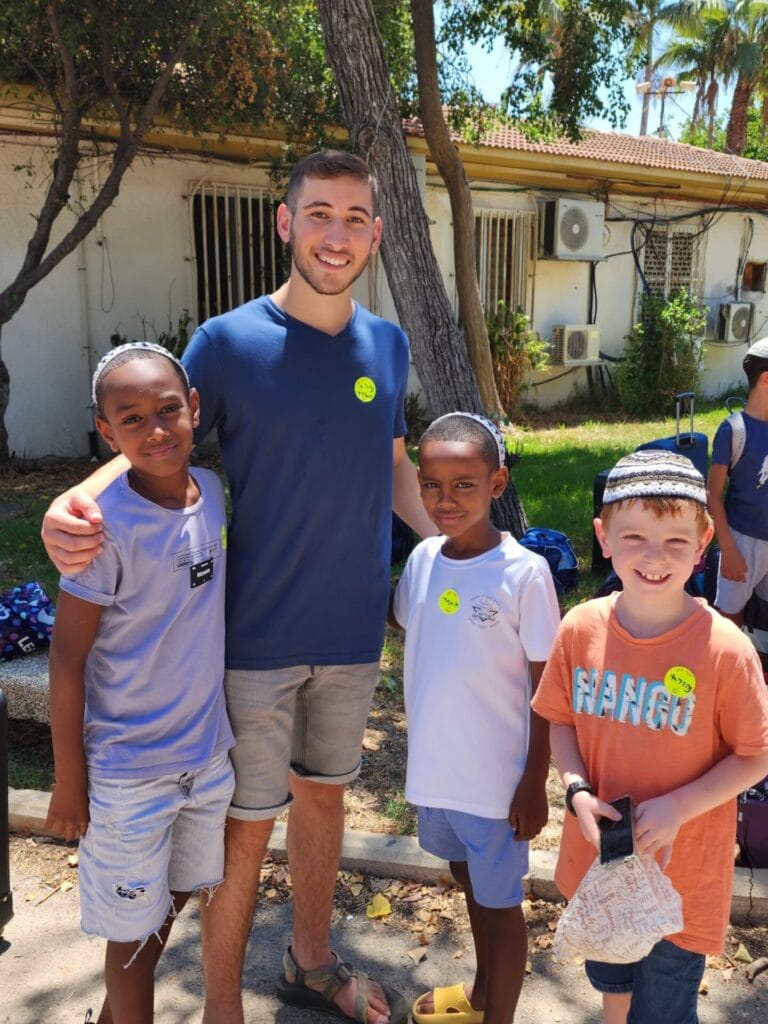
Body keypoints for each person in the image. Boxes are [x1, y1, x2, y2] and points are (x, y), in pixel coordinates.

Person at [41, 150, 435, 1024]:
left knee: (325, 800)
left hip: (351, 633)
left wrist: (468, 545)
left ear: (374, 234)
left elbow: (396, 466)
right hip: (251, 634)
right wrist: (73, 502)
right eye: (320, 214)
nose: (338, 234)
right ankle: (224, 1007)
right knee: (246, 828)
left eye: (355, 218)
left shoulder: (389, 344)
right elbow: (152, 440)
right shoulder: (225, 342)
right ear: (287, 223)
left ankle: (312, 962)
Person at [532, 450, 768, 1024]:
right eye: (633, 536)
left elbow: (756, 755)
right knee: (612, 977)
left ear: (705, 540)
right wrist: (576, 790)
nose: (654, 558)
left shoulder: (725, 650)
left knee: (663, 1006)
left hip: (682, 878)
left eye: (675, 541)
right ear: (602, 536)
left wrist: (679, 807)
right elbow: (560, 719)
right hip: (601, 866)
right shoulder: (579, 628)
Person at [45, 342, 235, 1024]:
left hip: (206, 761)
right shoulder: (100, 528)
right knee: (128, 950)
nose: (155, 430)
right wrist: (70, 784)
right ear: (106, 432)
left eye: (168, 411)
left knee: (164, 908)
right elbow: (67, 659)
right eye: (132, 420)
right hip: (128, 775)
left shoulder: (211, 492)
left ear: (194, 409)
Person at [391, 413, 561, 1024]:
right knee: (471, 891)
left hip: (494, 787)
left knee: (501, 907)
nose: (445, 499)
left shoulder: (523, 574)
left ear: (497, 483)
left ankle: (499, 1016)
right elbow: (412, 626)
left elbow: (549, 685)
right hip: (436, 781)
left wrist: (533, 780)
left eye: (464, 484)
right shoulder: (422, 561)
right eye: (431, 484)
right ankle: (485, 992)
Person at [707, 336, 768, 626]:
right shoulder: (734, 430)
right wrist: (728, 549)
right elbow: (713, 495)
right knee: (730, 623)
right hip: (742, 542)